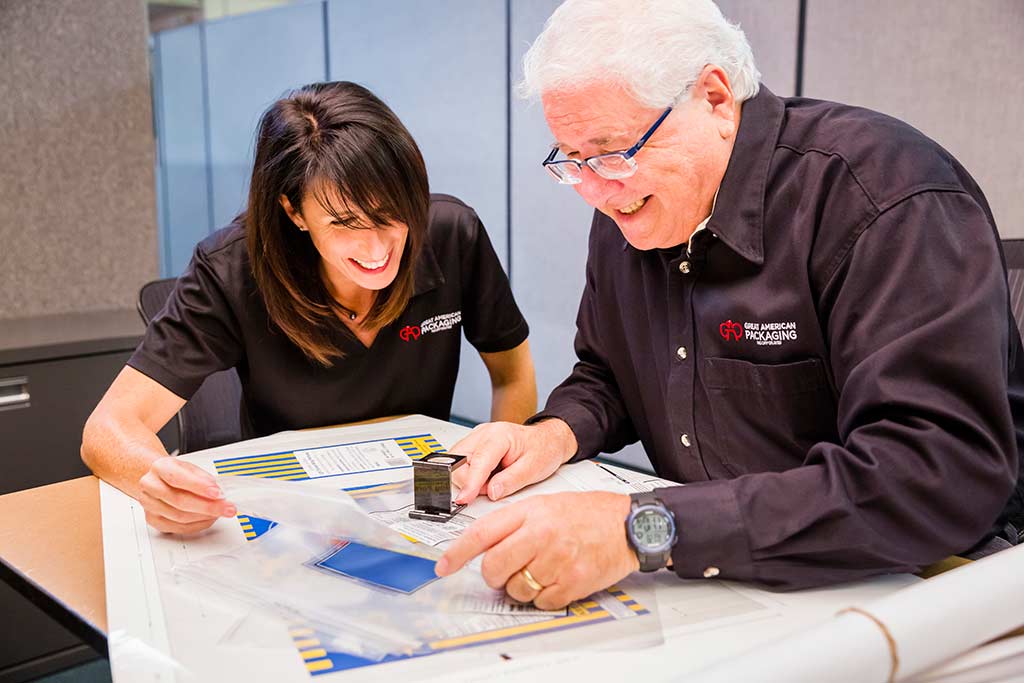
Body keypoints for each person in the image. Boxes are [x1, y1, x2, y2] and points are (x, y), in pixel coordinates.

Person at [435, 0, 1024, 608]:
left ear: (715, 98)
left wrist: (641, 528)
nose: (593, 191)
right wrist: (551, 435)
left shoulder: (882, 196)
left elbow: (933, 475)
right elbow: (611, 375)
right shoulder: (627, 204)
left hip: (926, 579)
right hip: (719, 572)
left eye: (611, 150)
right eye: (572, 158)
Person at [82, 81, 536, 535]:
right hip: (289, 509)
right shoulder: (231, 269)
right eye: (343, 223)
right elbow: (108, 428)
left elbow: (512, 373)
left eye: (390, 214)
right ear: (294, 211)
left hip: (424, 493)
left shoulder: (452, 234)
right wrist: (162, 486)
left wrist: (495, 476)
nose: (377, 248)